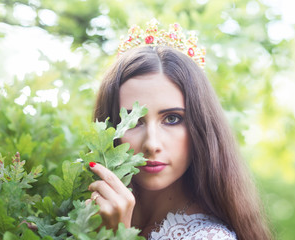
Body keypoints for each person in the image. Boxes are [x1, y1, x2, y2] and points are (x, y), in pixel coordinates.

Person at [87, 19, 273, 240]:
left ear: (200, 127)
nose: (152, 144)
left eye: (172, 119)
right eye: (133, 121)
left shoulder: (209, 237)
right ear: (108, 129)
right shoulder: (85, 214)